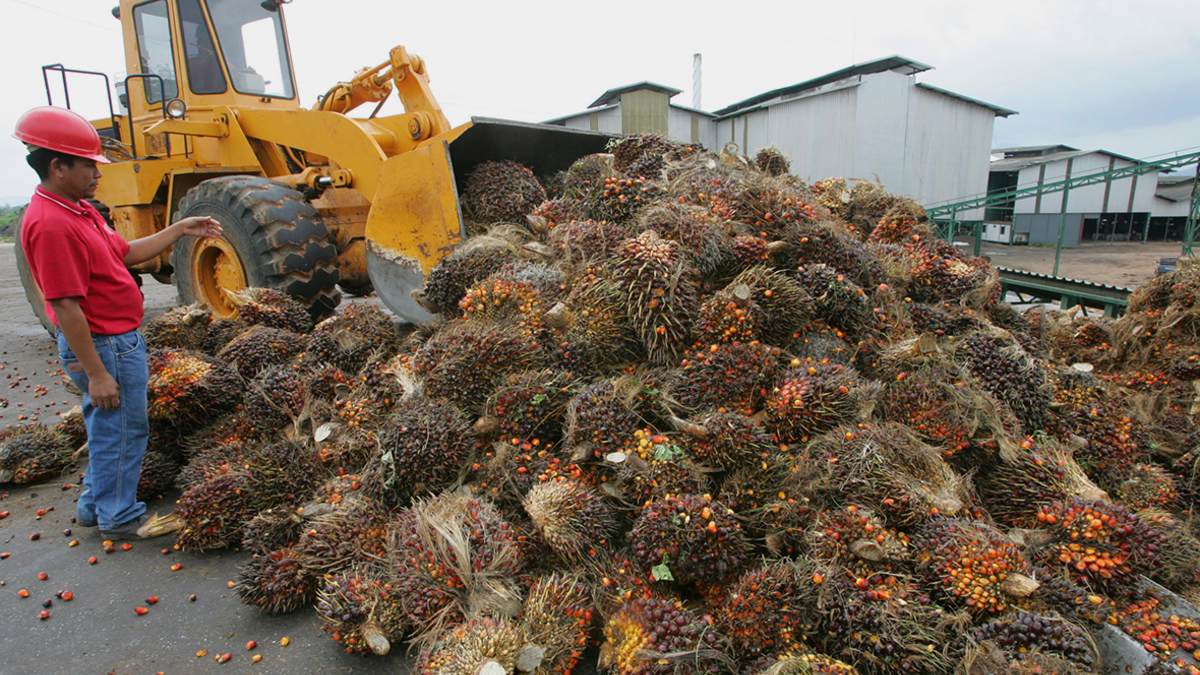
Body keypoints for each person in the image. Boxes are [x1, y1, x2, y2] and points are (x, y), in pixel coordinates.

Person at [14, 106, 223, 540]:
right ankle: (119, 515)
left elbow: (123, 254)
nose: (98, 173)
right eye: (89, 164)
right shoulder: (51, 224)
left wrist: (181, 228)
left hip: (117, 341)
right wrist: (96, 374)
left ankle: (95, 505)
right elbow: (67, 307)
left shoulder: (79, 210)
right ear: (57, 166)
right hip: (104, 346)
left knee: (110, 427)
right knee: (125, 429)